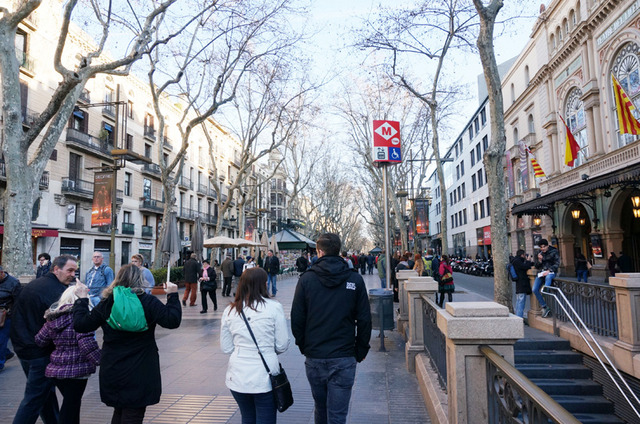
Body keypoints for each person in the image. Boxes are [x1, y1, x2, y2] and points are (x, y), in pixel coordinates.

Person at [73, 264, 181, 424]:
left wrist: (81, 300)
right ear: (141, 280)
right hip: (141, 369)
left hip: (113, 367)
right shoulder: (148, 302)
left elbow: (81, 325)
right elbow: (172, 320)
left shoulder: (108, 302)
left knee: (120, 410)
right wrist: (172, 296)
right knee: (133, 414)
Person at [291, 233, 372, 424]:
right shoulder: (355, 279)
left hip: (315, 356)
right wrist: (360, 350)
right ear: (338, 250)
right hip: (344, 357)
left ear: (319, 252)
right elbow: (365, 320)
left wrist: (305, 347)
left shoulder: (306, 280)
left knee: (321, 409)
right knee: (337, 415)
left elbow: (296, 319)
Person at [10, 255, 78, 424]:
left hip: (25, 348)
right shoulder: (55, 291)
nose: (73, 274)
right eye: (69, 270)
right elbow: (64, 323)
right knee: (34, 398)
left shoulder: (37, 284)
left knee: (45, 394)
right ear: (56, 269)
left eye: (75, 270)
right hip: (39, 352)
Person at [220, 267, 290, 424]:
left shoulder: (230, 310)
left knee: (247, 417)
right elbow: (282, 345)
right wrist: (267, 350)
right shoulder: (274, 307)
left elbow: (226, 347)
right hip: (264, 377)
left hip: (237, 376)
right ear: (264, 284)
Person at [35, 286, 101, 424]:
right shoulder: (80, 318)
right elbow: (86, 343)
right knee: (71, 405)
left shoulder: (53, 318)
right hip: (77, 370)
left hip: (56, 369)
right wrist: (102, 360)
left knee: (71, 404)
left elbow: (40, 340)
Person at [0, 265, 21, 372]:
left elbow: (18, 302)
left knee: (1, 339)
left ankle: (0, 363)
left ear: (2, 273)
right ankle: (6, 353)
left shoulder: (13, 283)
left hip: (6, 315)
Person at [533, 239, 560, 318]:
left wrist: (549, 270)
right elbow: (536, 266)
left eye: (544, 247)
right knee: (534, 289)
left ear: (547, 246)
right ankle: (544, 306)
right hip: (542, 273)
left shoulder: (554, 252)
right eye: (541, 247)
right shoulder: (539, 253)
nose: (543, 249)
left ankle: (545, 291)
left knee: (548, 277)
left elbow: (557, 263)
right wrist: (539, 260)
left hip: (551, 272)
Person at [511, 250, 534, 319]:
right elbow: (525, 266)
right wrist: (528, 260)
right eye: (525, 255)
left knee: (519, 301)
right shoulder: (518, 261)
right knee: (521, 302)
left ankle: (517, 316)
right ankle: (519, 317)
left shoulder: (515, 260)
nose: (525, 256)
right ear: (522, 255)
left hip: (519, 284)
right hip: (522, 284)